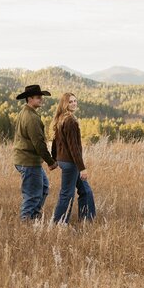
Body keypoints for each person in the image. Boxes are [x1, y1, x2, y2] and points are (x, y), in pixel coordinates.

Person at [13, 84, 58, 221]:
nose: (41, 99)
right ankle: (25, 222)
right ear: (29, 99)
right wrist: (50, 161)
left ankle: (34, 218)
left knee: (43, 188)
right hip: (28, 161)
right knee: (32, 195)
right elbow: (38, 143)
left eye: (41, 97)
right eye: (38, 97)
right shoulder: (31, 118)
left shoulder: (25, 112)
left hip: (27, 160)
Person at [51, 93, 96, 224]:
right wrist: (82, 168)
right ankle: (59, 223)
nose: (74, 103)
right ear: (65, 104)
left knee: (85, 190)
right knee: (67, 194)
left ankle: (86, 220)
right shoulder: (69, 121)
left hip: (65, 161)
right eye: (70, 102)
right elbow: (74, 147)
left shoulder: (61, 119)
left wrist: (54, 159)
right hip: (70, 163)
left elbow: (55, 142)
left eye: (75, 101)